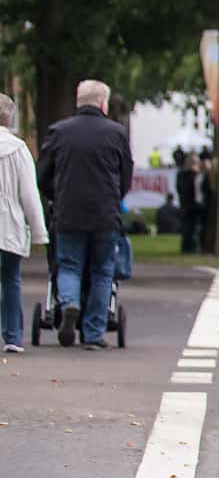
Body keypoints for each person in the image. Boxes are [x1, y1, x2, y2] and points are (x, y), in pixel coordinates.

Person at [37, 79, 132, 349]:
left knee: (68, 265)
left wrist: (57, 196)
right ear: (103, 103)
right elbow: (125, 177)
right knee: (102, 271)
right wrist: (115, 197)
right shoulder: (117, 133)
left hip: (68, 213)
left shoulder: (59, 132)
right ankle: (93, 333)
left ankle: (69, 304)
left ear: (78, 102)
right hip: (105, 214)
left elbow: (43, 176)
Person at [1, 93, 51, 354]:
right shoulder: (19, 150)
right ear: (9, 118)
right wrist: (39, 233)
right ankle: (12, 336)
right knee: (10, 279)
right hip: (9, 225)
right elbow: (29, 195)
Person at [176, 153, 201, 253]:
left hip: (185, 205)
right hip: (190, 205)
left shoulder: (181, 174)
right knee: (190, 228)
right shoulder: (190, 175)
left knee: (188, 228)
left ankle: (187, 248)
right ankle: (190, 248)